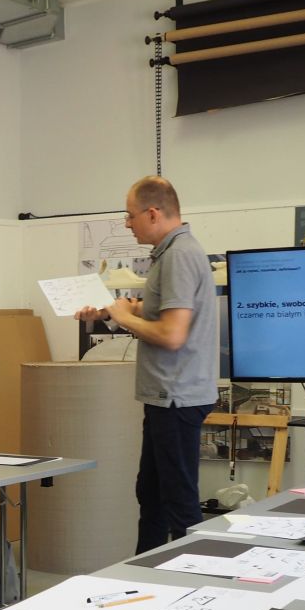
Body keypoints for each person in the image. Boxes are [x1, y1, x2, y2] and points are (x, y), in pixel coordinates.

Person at [75, 175, 217, 554]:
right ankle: (143, 572)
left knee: (179, 503)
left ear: (153, 214)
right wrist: (113, 310)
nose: (126, 223)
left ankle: (193, 576)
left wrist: (124, 317)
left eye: (130, 215)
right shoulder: (170, 253)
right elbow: (161, 310)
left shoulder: (179, 256)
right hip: (166, 396)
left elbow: (172, 334)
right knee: (151, 493)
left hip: (176, 396)